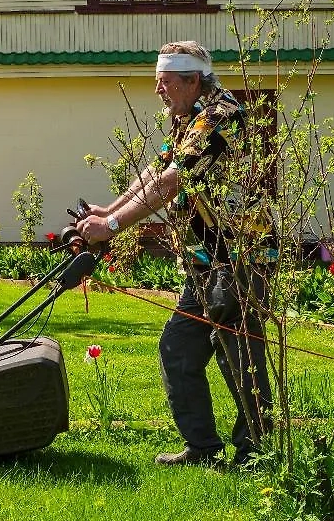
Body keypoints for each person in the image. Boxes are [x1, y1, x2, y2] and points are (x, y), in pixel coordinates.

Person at [76, 41, 275, 468]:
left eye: (165, 82)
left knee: (238, 355)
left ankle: (256, 451)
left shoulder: (223, 118)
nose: (158, 90)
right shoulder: (187, 121)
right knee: (179, 349)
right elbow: (157, 170)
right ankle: (203, 448)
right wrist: (107, 210)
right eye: (157, 82)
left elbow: (171, 183)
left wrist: (110, 228)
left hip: (240, 258)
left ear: (192, 81)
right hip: (205, 260)